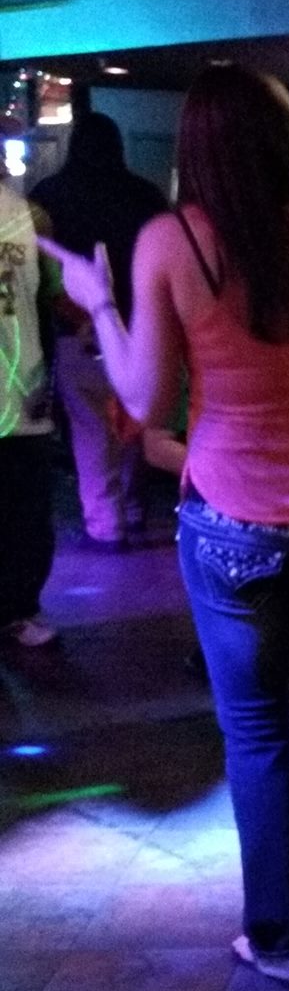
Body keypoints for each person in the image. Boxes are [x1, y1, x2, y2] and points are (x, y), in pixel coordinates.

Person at [40, 66, 289, 984]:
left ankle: (283, 939)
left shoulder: (175, 242)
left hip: (235, 520)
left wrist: (99, 305)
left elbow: (142, 397)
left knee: (252, 733)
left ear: (195, 147)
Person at [30, 112, 166, 547]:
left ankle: (106, 524)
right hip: (141, 328)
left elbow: (43, 276)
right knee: (133, 422)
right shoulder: (145, 195)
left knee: (91, 431)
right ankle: (132, 508)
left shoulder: (48, 196)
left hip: (78, 330)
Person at [0, 181, 61, 647]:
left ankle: (19, 609)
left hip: (24, 393)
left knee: (27, 515)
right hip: (26, 394)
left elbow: (49, 303)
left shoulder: (31, 217)